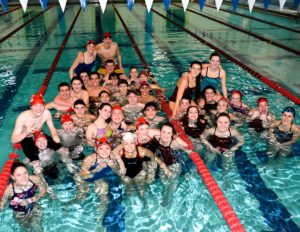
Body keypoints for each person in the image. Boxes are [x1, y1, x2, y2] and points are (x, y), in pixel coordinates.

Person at [112, 132, 173, 201]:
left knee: (142, 191)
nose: (129, 146)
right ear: (122, 144)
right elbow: (110, 154)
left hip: (139, 173)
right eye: (126, 144)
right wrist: (120, 162)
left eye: (131, 143)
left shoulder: (142, 151)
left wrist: (166, 169)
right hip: (126, 175)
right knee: (129, 192)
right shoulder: (120, 152)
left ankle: (143, 200)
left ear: (135, 142)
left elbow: (155, 158)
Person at [11, 93, 66, 163]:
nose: (39, 109)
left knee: (62, 149)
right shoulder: (22, 117)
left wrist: (55, 135)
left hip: (39, 134)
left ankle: (69, 165)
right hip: (26, 138)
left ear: (44, 106)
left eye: (41, 105)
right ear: (31, 107)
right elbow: (13, 140)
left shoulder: (46, 113)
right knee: (36, 162)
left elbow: (52, 128)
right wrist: (26, 132)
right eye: (35, 106)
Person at [73, 137, 123, 211]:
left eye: (107, 148)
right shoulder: (90, 159)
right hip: (82, 179)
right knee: (82, 197)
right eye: (101, 149)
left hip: (98, 177)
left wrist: (113, 166)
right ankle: (70, 207)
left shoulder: (113, 157)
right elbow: (83, 175)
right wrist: (98, 168)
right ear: (96, 150)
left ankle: (101, 214)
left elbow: (120, 173)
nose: (105, 151)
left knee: (104, 195)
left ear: (110, 149)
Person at [0, 162, 47, 232]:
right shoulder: (9, 190)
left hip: (34, 207)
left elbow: (44, 190)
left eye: (25, 173)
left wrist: (33, 198)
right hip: (20, 213)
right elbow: (2, 204)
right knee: (26, 229)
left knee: (37, 227)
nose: (24, 177)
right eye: (19, 175)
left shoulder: (35, 179)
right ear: (13, 177)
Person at [154, 122, 192, 206]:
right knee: (163, 180)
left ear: (172, 134)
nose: (165, 135)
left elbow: (187, 147)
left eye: (169, 133)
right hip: (163, 164)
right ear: (160, 132)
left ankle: (168, 198)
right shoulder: (157, 138)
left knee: (172, 182)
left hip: (175, 165)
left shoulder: (174, 143)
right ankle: (165, 193)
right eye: (164, 132)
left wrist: (177, 138)